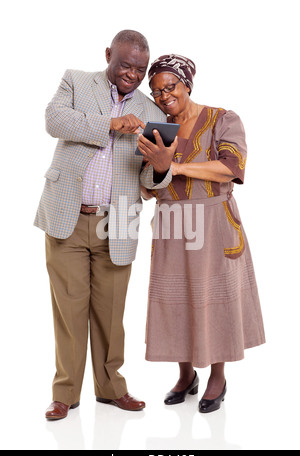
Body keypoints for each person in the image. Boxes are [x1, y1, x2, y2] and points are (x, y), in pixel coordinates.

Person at [34, 31, 173, 420]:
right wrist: (111, 124)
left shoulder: (154, 113)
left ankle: (112, 389)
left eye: (140, 70)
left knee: (111, 314)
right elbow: (54, 120)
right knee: (70, 310)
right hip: (69, 216)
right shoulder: (77, 81)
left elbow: (148, 182)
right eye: (125, 64)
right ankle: (65, 394)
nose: (132, 74)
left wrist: (160, 167)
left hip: (120, 222)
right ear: (108, 55)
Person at [138, 54, 266, 413]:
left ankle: (217, 377)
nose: (164, 96)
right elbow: (147, 186)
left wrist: (174, 166)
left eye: (170, 86)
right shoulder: (158, 129)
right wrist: (158, 171)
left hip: (214, 222)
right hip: (171, 224)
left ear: (186, 84)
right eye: (156, 90)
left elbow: (230, 167)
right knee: (175, 299)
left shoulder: (222, 119)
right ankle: (185, 374)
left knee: (213, 297)